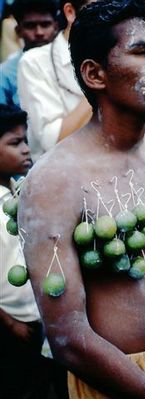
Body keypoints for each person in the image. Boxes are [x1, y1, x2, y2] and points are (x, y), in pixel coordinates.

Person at [18, 1, 145, 398]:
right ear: (95, 74)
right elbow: (68, 337)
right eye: (144, 51)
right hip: (112, 382)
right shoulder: (54, 180)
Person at [0, 103, 43, 398]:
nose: (26, 149)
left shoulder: (20, 192)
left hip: (34, 319)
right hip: (9, 325)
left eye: (26, 140)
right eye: (15, 143)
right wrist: (10, 323)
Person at [17, 0, 94, 163]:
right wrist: (102, 84)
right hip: (62, 176)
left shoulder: (122, 56)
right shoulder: (35, 62)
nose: (112, 15)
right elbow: (52, 141)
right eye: (102, 8)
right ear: (70, 12)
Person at [0, 0, 58, 107]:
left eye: (45, 25)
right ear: (18, 31)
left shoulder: (73, 64)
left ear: (55, 27)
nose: (39, 32)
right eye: (30, 26)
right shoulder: (6, 73)